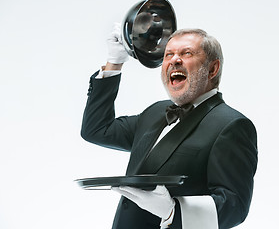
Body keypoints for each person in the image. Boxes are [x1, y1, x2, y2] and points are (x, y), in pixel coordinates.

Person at [81, 23, 258, 229]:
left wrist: (173, 210)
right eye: (168, 54)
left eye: (187, 53)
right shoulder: (156, 112)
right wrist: (114, 63)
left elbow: (234, 205)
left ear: (212, 69)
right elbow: (96, 129)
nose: (174, 60)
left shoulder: (232, 125)